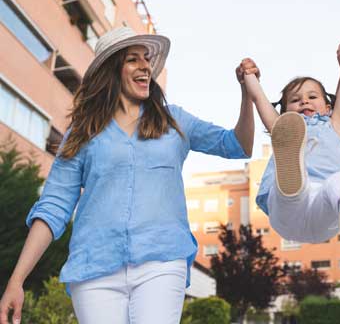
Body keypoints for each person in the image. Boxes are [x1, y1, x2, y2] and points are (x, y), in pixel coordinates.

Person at [0, 27, 255, 324]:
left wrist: (246, 95)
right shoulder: (82, 134)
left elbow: (239, 145)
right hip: (93, 267)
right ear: (112, 70)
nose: (145, 66)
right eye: (133, 59)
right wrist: (16, 280)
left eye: (146, 59)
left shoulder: (175, 121)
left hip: (161, 260)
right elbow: (53, 207)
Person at [243, 35, 340, 243]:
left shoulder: (335, 124)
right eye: (295, 100)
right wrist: (250, 76)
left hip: (324, 212)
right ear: (283, 113)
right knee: (293, 190)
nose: (304, 101)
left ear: (328, 107)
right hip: (287, 211)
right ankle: (293, 181)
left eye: (312, 97)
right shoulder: (280, 127)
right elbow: (258, 98)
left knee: (337, 182)